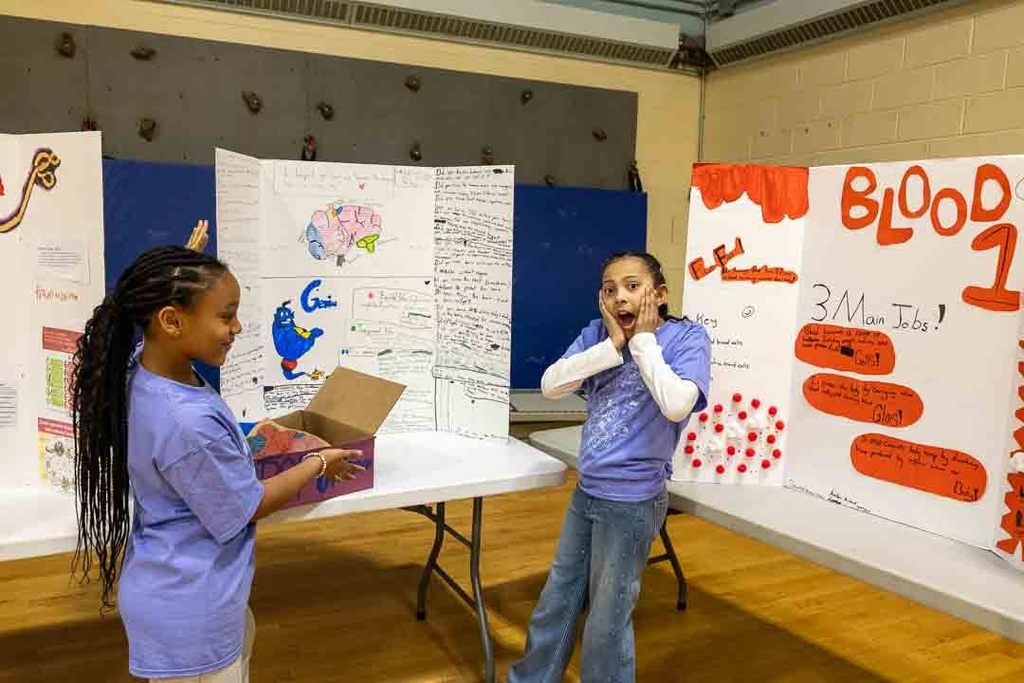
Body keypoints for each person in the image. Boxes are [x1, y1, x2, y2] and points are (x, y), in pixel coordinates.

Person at [71, 220, 363, 681]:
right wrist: (318, 461)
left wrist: (181, 272)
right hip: (192, 615)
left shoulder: (140, 373)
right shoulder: (186, 423)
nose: (237, 327)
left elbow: (147, 324)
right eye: (225, 315)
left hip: (178, 591)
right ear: (171, 320)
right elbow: (247, 506)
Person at [509, 251, 710, 682]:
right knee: (558, 597)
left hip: (633, 501)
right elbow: (551, 385)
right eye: (609, 288)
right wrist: (613, 344)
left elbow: (677, 405)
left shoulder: (687, 338)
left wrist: (641, 342)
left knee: (606, 620)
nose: (620, 297)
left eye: (633, 286)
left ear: (659, 294)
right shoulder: (598, 335)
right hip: (589, 491)